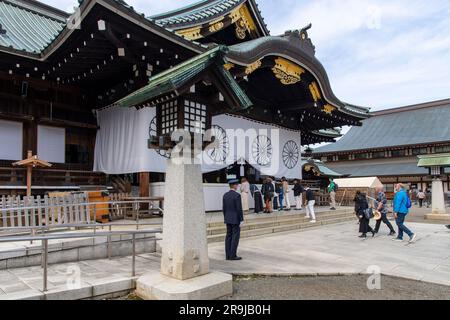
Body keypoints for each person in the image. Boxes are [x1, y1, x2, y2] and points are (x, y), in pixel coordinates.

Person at [223, 179, 244, 261]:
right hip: (235, 219)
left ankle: (227, 255)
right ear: (234, 185)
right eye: (237, 185)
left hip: (228, 218)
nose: (237, 186)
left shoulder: (225, 195)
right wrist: (241, 219)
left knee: (228, 236)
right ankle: (233, 255)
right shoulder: (237, 195)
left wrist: (225, 217)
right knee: (235, 237)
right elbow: (239, 209)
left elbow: (224, 208)